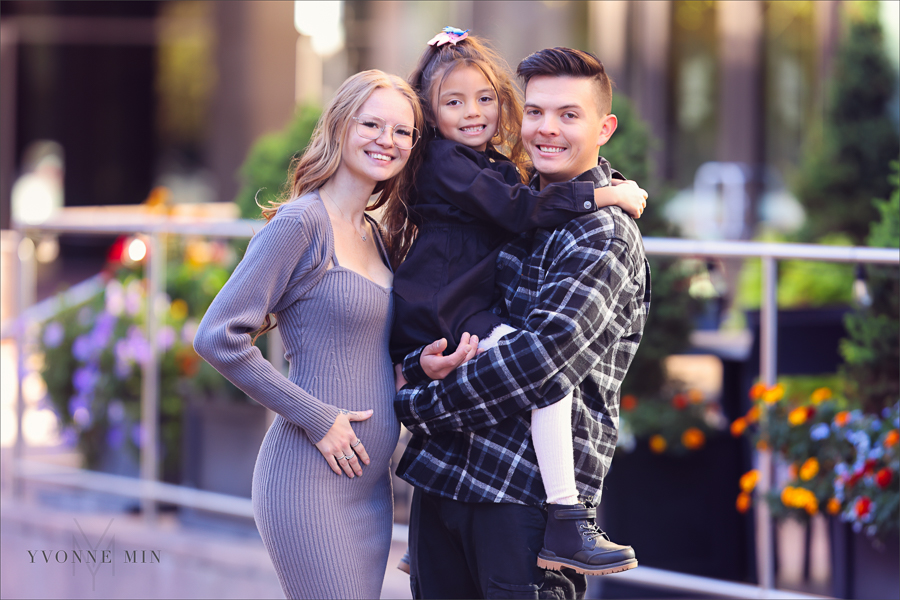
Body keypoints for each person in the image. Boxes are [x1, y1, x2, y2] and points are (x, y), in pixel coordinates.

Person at [385, 30, 646, 577]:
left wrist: (413, 403)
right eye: (536, 112)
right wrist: (416, 365)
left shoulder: (600, 234)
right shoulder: (515, 199)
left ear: (604, 128)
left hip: (520, 500)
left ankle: (570, 519)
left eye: (568, 115)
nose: (547, 128)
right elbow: (452, 325)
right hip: (444, 482)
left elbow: (538, 364)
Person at [193, 70, 424, 600]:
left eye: (402, 131)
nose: (387, 141)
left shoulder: (376, 233)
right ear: (340, 126)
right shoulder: (301, 222)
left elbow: (367, 346)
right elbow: (217, 335)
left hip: (370, 488)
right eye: (372, 124)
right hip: (308, 478)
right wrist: (318, 419)